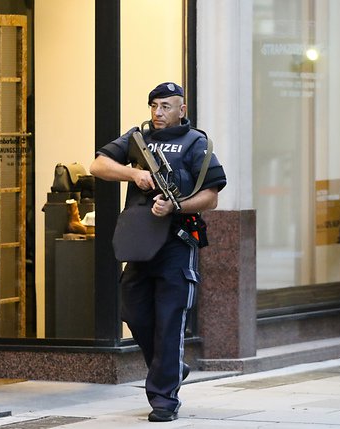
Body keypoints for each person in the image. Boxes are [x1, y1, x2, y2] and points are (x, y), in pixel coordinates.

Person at [90, 82, 226, 422]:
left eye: (166, 106)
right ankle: (172, 367)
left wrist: (176, 206)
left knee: (169, 322)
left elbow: (211, 196)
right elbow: (98, 165)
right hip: (140, 243)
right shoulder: (138, 138)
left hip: (177, 244)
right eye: (154, 105)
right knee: (134, 313)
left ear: (182, 109)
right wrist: (134, 173)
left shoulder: (197, 143)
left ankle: (164, 399)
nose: (158, 112)